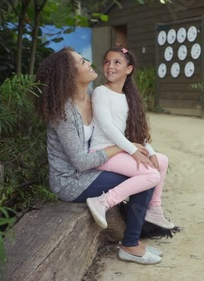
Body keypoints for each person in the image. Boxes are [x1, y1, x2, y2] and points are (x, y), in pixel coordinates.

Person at [36, 47, 162, 265]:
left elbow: (114, 133)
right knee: (145, 178)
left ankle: (132, 241)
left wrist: (141, 148)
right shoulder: (63, 113)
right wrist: (123, 148)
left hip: (94, 168)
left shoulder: (93, 99)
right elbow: (80, 162)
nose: (89, 63)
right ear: (70, 74)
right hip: (71, 182)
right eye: (82, 62)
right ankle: (130, 244)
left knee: (146, 172)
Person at [85, 45, 175, 231]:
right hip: (103, 152)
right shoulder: (101, 92)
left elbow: (135, 132)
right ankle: (103, 202)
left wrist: (149, 152)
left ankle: (154, 208)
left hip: (120, 151)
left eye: (117, 62)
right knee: (151, 175)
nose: (110, 66)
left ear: (129, 69)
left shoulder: (129, 97)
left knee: (161, 161)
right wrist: (134, 152)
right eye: (107, 62)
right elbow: (109, 129)